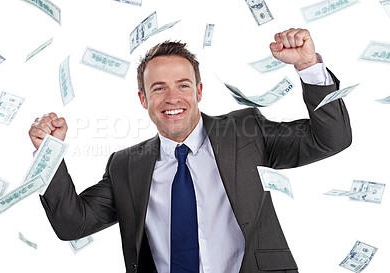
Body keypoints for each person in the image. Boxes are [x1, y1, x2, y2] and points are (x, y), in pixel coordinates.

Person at [29, 28, 352, 273]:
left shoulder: (246, 131)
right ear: (143, 100)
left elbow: (330, 139)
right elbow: (72, 224)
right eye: (159, 88)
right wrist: (49, 155)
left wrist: (308, 67)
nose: (173, 98)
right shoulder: (126, 165)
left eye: (183, 85)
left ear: (198, 91)